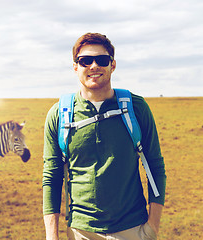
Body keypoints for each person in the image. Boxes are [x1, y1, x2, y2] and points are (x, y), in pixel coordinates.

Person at [42, 33, 166, 240]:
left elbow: (155, 166)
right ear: (75, 67)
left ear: (113, 65)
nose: (93, 66)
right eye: (85, 61)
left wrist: (152, 227)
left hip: (132, 228)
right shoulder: (58, 114)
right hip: (80, 230)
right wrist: (51, 236)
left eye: (101, 60)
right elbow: (51, 177)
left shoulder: (136, 108)